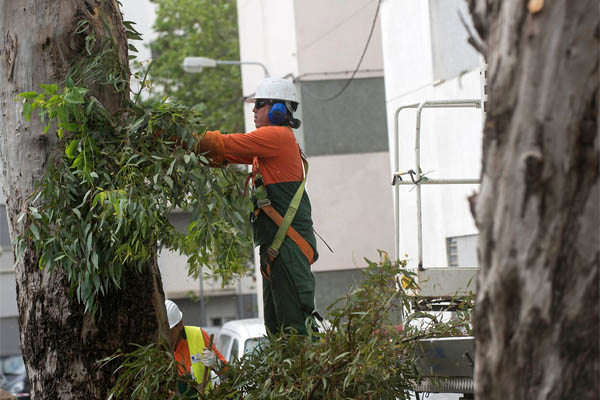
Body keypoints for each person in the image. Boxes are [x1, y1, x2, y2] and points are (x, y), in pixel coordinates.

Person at [193, 77, 319, 336]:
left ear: (278, 110)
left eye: (259, 104)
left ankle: (305, 376)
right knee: (276, 328)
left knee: (295, 330)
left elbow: (222, 144)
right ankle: (284, 377)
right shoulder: (268, 145)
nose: (253, 110)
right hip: (278, 247)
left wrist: (175, 134)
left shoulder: (276, 137)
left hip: (288, 247)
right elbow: (223, 155)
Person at [165, 299, 226, 395]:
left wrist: (215, 363)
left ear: (180, 325)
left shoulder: (198, 335)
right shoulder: (155, 348)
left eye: (170, 331)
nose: (166, 335)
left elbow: (227, 372)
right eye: (163, 331)